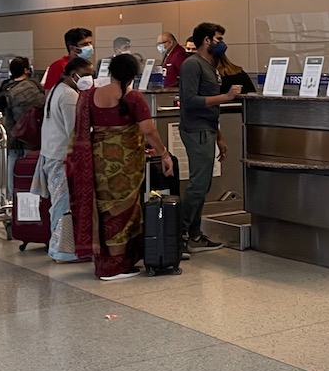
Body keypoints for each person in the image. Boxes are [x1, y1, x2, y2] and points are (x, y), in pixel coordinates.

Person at [66, 53, 173, 281]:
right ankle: (115, 265)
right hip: (125, 166)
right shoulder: (134, 98)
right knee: (125, 210)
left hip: (98, 162)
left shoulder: (89, 96)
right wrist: (164, 153)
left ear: (111, 72)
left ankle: (104, 259)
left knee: (104, 209)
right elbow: (148, 131)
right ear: (133, 75)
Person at [178, 22, 238, 253]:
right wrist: (226, 96)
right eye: (218, 39)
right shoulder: (192, 65)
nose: (221, 43)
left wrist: (219, 136)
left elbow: (210, 107)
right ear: (206, 40)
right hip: (196, 129)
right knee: (198, 184)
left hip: (207, 129)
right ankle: (181, 234)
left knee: (203, 184)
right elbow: (191, 100)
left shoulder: (209, 65)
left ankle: (193, 233)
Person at [36, 56, 92, 263]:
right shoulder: (69, 95)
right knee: (64, 204)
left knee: (58, 202)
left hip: (51, 154)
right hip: (62, 157)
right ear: (73, 75)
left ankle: (60, 248)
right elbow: (75, 130)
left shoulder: (57, 90)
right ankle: (63, 251)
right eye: (86, 75)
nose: (89, 79)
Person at [0, 57, 45, 192]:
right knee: (30, 164)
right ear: (26, 69)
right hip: (31, 132)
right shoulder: (32, 86)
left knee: (12, 163)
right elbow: (41, 103)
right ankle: (30, 194)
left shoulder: (6, 86)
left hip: (12, 131)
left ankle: (13, 195)